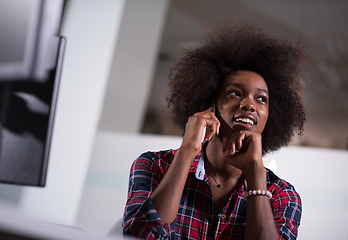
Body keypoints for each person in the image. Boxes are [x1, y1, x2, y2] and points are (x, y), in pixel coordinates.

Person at [123, 22, 308, 239]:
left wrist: (256, 174)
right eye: (235, 93)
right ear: (209, 103)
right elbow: (139, 235)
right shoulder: (154, 166)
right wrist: (187, 151)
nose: (249, 105)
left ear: (271, 116)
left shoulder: (282, 195)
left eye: (261, 99)